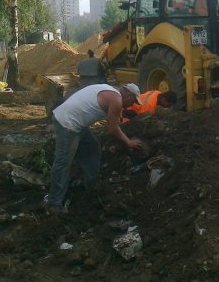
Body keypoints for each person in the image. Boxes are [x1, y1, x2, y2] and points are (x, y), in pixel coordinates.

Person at [42, 83, 143, 214]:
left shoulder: (108, 89)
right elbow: (112, 129)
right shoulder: (116, 100)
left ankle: (90, 186)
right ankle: (54, 203)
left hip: (76, 122)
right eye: (133, 101)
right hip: (68, 124)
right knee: (63, 162)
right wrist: (128, 142)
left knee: (92, 148)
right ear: (128, 95)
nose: (131, 105)